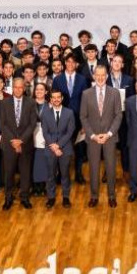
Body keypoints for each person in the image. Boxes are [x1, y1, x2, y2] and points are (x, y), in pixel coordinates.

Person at [80, 65, 123, 208]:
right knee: (93, 168)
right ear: (93, 76)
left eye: (102, 75)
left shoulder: (115, 93)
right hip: (93, 138)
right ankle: (94, 196)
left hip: (109, 137)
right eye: (97, 75)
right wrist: (92, 135)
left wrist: (109, 133)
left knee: (111, 168)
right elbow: (83, 117)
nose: (100, 77)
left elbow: (118, 115)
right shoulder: (86, 94)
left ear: (107, 76)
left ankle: (111, 196)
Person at [0, 78, 38, 210]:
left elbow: (33, 124)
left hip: (25, 144)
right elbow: (2, 124)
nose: (18, 89)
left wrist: (21, 140)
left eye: (20, 87)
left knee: (25, 172)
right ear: (12, 88)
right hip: (9, 144)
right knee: (8, 173)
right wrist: (13, 141)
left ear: (24, 88)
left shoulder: (31, 103)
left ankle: (25, 198)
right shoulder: (4, 103)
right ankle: (8, 198)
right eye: (15, 87)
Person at [53, 54, 88, 184]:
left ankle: (78, 173)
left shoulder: (83, 79)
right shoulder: (58, 79)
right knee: (61, 146)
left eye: (73, 62)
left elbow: (86, 101)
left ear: (76, 64)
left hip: (79, 119)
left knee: (79, 148)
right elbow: (54, 100)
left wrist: (85, 122)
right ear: (65, 63)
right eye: (68, 61)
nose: (70, 64)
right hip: (62, 120)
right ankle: (61, 174)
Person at [42, 89, 75, 209]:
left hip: (65, 148)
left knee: (65, 174)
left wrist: (59, 145)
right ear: (50, 99)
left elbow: (70, 132)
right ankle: (51, 198)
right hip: (50, 148)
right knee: (50, 175)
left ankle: (66, 197)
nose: (56, 99)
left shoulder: (69, 113)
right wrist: (54, 146)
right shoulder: (45, 113)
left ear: (62, 98)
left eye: (58, 97)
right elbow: (45, 132)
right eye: (53, 97)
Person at [30, 83, 50, 197]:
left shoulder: (50, 105)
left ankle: (43, 186)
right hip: (32, 135)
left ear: (46, 92)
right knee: (33, 162)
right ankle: (34, 186)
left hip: (45, 136)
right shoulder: (29, 104)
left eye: (42, 89)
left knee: (43, 161)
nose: (39, 91)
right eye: (37, 89)